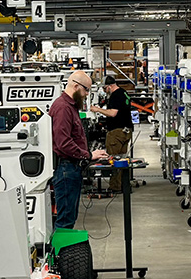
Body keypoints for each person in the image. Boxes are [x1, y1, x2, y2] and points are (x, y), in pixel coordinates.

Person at [50, 70, 107, 229]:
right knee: (65, 220)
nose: (87, 94)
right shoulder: (63, 108)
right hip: (66, 169)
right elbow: (63, 143)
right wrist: (88, 155)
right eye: (86, 90)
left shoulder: (70, 106)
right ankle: (62, 253)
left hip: (70, 168)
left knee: (69, 217)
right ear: (75, 86)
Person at [90, 76, 133, 192]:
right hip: (126, 130)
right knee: (123, 160)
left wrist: (97, 109)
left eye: (104, 88)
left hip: (116, 132)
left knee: (113, 161)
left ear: (109, 86)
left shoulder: (115, 95)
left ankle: (115, 187)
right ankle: (124, 184)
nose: (104, 91)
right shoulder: (123, 92)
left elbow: (113, 113)